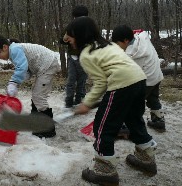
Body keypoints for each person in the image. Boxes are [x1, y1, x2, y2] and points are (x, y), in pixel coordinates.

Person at [64, 17, 157, 185]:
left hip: (122, 85)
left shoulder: (87, 55)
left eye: (70, 35)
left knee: (103, 127)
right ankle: (146, 159)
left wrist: (87, 103)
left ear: (79, 35)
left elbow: (101, 82)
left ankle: (104, 171)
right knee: (134, 121)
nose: (68, 39)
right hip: (140, 81)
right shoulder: (109, 44)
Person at [0, 36, 61, 138]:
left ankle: (48, 130)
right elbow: (26, 70)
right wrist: (16, 84)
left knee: (39, 96)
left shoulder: (14, 50)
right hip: (45, 66)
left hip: (48, 64)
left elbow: (22, 67)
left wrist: (13, 82)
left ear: (5, 47)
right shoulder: (14, 50)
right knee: (37, 95)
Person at [112, 25, 165, 131]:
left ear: (126, 40)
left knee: (131, 103)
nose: (117, 46)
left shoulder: (132, 54)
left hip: (146, 80)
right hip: (156, 75)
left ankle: (128, 127)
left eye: (118, 43)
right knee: (153, 98)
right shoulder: (142, 37)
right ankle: (158, 120)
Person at [60, 4, 89, 108]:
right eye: (76, 18)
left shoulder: (89, 28)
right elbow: (62, 40)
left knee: (82, 81)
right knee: (71, 80)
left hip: (85, 59)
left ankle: (79, 100)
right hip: (72, 58)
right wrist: (65, 39)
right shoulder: (70, 26)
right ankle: (69, 101)